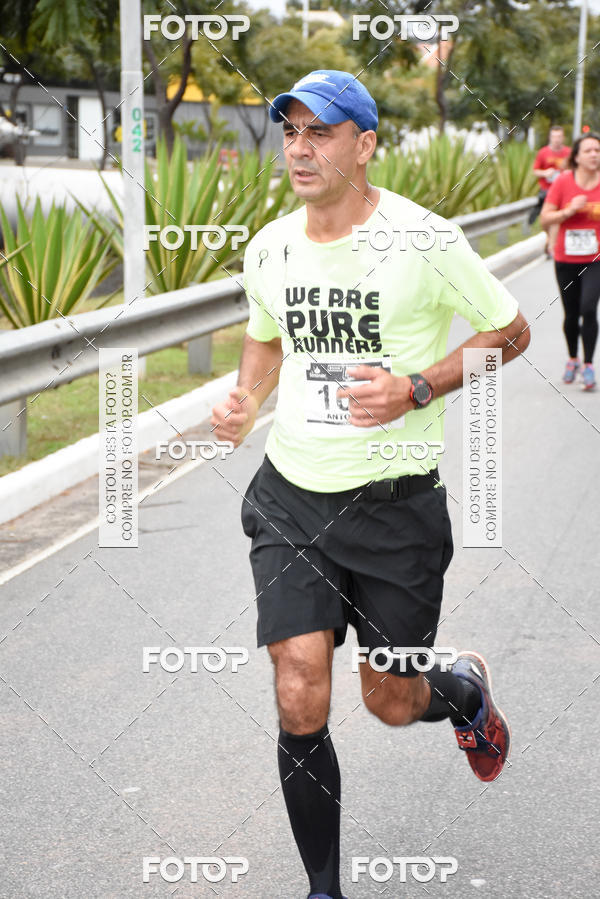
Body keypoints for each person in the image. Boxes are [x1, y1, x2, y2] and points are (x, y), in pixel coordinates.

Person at [211, 70, 530, 899]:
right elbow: (266, 337)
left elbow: (511, 330)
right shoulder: (271, 246)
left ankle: (460, 690)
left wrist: (416, 387)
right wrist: (246, 399)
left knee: (390, 698)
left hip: (396, 511)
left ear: (365, 144)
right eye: (291, 131)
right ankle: (324, 890)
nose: (300, 148)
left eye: (321, 131)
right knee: (298, 690)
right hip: (290, 497)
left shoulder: (424, 239)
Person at [541, 132, 600, 391]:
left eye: (598, 150)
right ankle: (573, 358)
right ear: (576, 156)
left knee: (589, 308)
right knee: (571, 313)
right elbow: (545, 218)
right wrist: (569, 210)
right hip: (566, 259)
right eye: (588, 150)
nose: (594, 154)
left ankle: (588, 365)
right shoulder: (563, 182)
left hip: (596, 259)